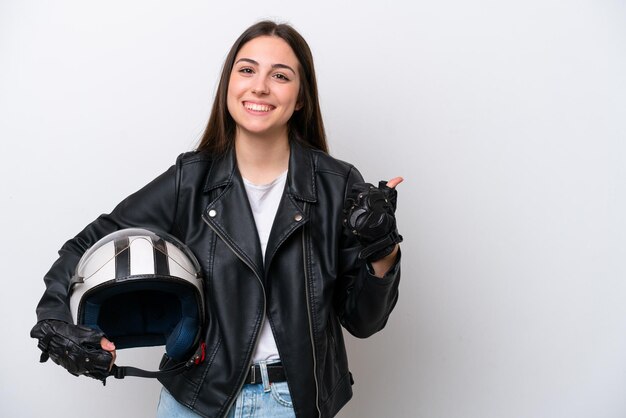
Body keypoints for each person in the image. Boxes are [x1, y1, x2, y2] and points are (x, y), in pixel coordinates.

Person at [31, 20, 403, 418]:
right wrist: (54, 318)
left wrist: (384, 251)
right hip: (195, 400)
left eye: (280, 76)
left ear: (300, 99)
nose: (259, 86)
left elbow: (364, 323)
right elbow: (83, 247)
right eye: (247, 70)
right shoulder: (189, 181)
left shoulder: (339, 185)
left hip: (292, 405)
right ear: (229, 85)